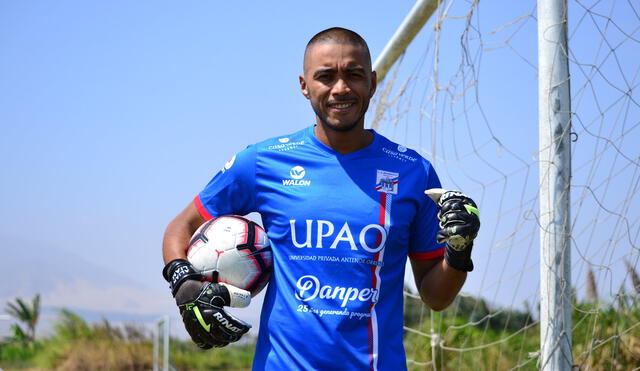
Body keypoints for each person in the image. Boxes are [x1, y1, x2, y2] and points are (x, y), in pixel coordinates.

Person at [162, 27, 480, 370]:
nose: (340, 88)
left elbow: (437, 297)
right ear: (304, 85)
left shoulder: (413, 172)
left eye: (353, 75)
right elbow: (181, 228)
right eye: (326, 76)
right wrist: (184, 285)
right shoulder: (263, 161)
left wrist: (459, 250)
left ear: (372, 82)